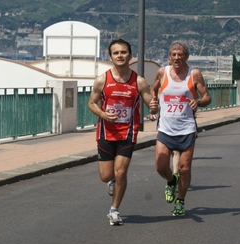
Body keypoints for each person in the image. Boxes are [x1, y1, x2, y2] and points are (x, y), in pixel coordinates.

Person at [88, 38, 158, 226]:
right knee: (106, 176)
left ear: (130, 55)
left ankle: (114, 210)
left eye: (123, 52)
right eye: (116, 53)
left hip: (127, 133)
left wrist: (153, 108)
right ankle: (111, 181)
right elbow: (91, 103)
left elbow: (151, 106)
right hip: (105, 133)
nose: (120, 55)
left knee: (121, 172)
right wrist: (102, 113)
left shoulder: (139, 81)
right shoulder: (102, 79)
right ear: (110, 56)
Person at [150, 41, 211, 216]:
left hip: (186, 128)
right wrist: (153, 104)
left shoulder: (194, 74)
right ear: (169, 57)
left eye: (180, 54)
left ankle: (181, 200)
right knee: (161, 167)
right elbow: (153, 89)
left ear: (186, 57)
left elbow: (207, 97)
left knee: (185, 168)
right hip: (165, 128)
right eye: (174, 54)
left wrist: (198, 102)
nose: (177, 58)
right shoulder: (162, 72)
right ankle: (171, 181)